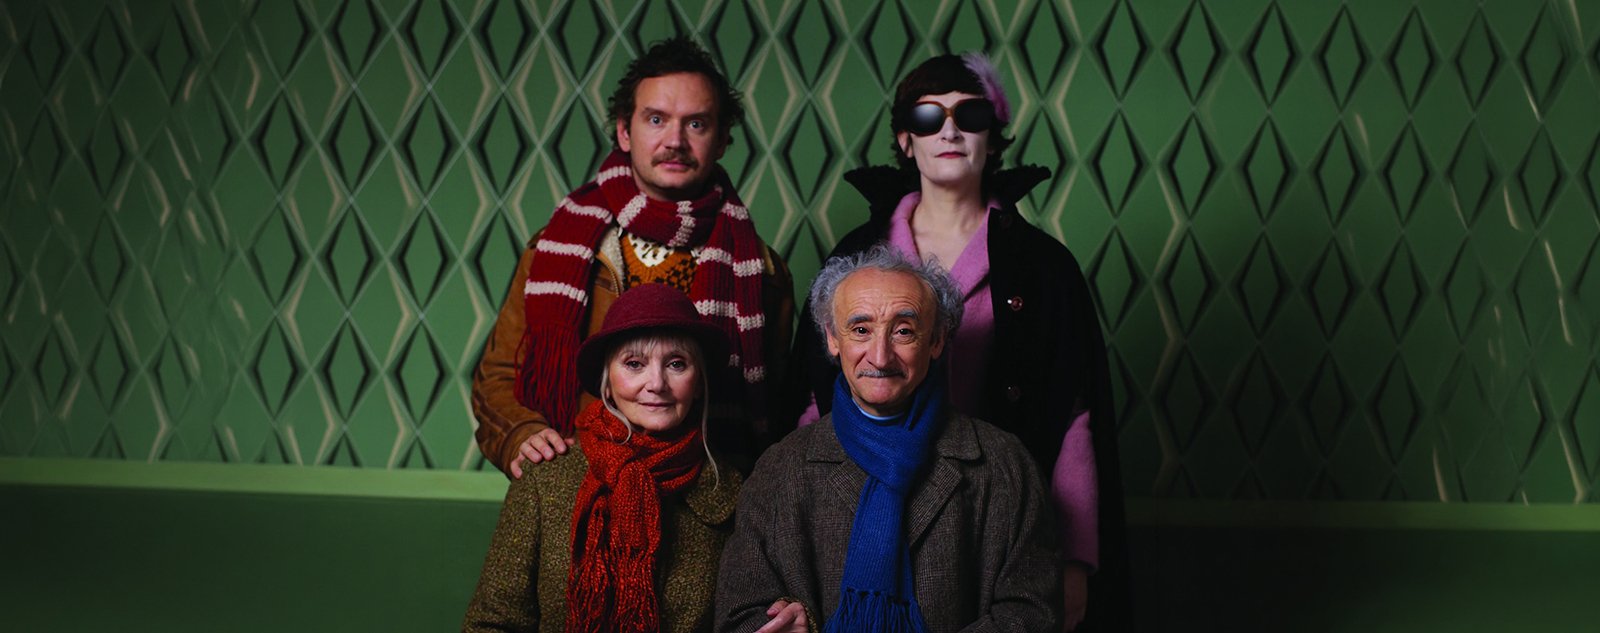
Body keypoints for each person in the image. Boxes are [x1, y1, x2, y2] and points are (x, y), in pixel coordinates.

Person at [788, 53, 1129, 630]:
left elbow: (1072, 415)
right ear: (905, 139)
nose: (948, 131)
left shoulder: (1043, 266)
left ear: (992, 139)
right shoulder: (856, 256)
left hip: (998, 513)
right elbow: (815, 400)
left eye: (969, 115)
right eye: (928, 117)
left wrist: (1075, 561)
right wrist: (800, 536)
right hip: (866, 503)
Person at [473, 36, 794, 479]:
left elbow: (777, 412)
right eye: (656, 119)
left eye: (696, 124)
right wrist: (520, 434)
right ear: (625, 131)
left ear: (722, 140)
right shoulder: (558, 246)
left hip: (703, 489)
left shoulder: (760, 272)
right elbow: (498, 376)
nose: (675, 141)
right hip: (579, 481)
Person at [717, 246, 1062, 632]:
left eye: (903, 331)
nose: (880, 357)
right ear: (832, 339)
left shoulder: (1003, 465)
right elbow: (738, 614)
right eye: (861, 330)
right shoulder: (780, 469)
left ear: (936, 341)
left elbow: (1033, 612)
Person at [464, 283, 742, 632]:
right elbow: (491, 623)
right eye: (634, 364)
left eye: (676, 364)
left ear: (698, 382)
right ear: (606, 382)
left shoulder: (730, 491)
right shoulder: (547, 477)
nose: (656, 383)